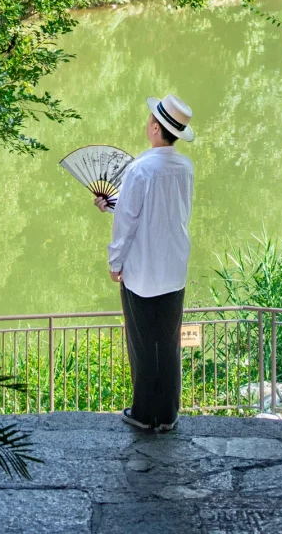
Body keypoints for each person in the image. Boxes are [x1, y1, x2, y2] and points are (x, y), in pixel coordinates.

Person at [95, 94, 194, 432]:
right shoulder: (185, 168)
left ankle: (143, 414)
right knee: (168, 343)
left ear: (155, 127)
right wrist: (111, 203)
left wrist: (115, 261)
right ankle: (167, 415)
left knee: (141, 343)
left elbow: (129, 220)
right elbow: (164, 211)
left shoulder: (139, 169)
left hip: (141, 273)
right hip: (174, 269)